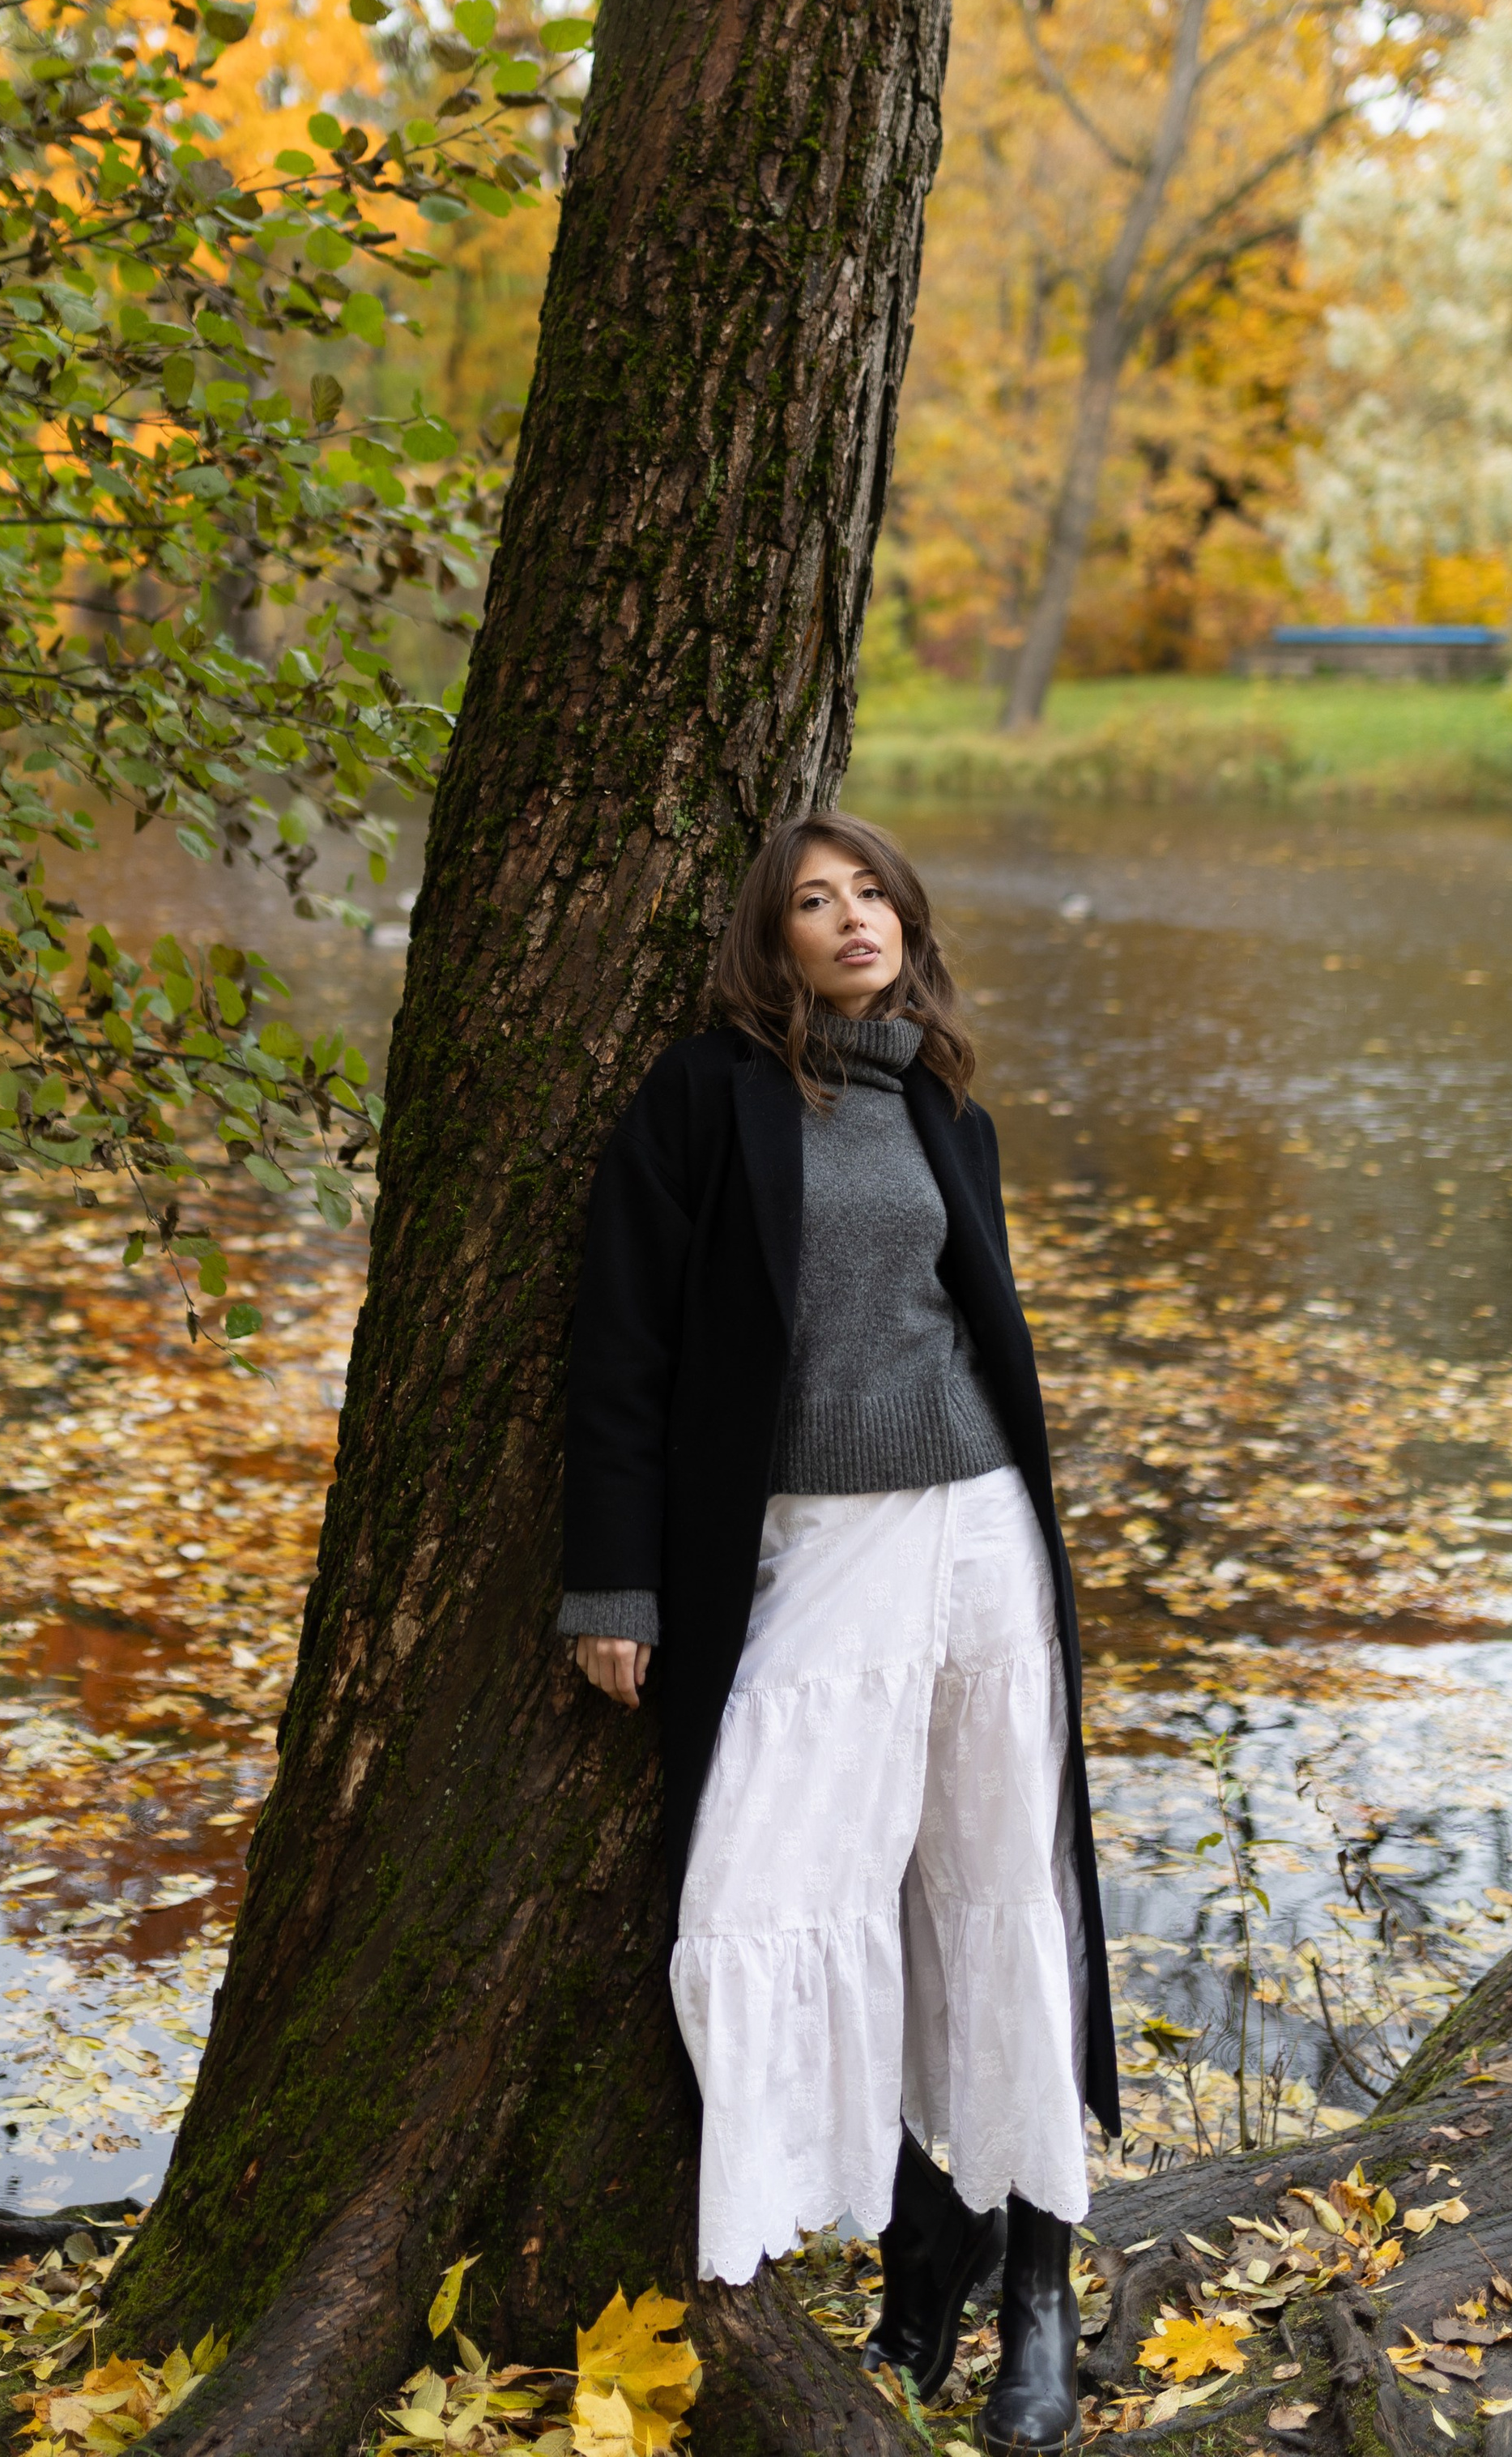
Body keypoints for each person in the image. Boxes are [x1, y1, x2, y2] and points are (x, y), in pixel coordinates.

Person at [557, 812, 1118, 2455]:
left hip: (982, 1540)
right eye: (813, 902)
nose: (849, 916)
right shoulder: (703, 1104)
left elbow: (980, 1330)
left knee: (998, 1884)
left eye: (867, 891)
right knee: (747, 1904)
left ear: (904, 917)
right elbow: (621, 1352)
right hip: (814, 1548)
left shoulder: (946, 1105)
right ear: (772, 945)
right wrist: (612, 1581)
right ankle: (918, 2225)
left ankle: (1032, 2284)